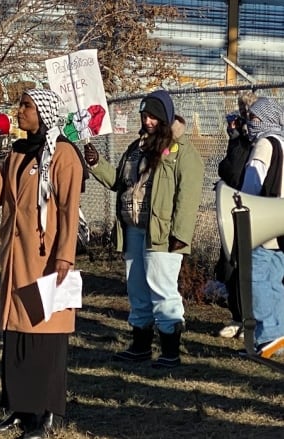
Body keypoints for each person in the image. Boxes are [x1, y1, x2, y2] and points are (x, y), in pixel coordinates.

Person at [0, 89, 83, 438]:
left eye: (27, 106)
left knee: (42, 334)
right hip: (16, 255)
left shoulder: (63, 155)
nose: (19, 111)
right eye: (21, 105)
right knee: (16, 334)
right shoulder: (18, 153)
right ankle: (18, 409)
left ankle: (41, 415)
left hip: (45, 256)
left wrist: (65, 254)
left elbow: (68, 208)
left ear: (45, 113)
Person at [84, 90, 204, 369]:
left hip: (163, 235)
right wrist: (96, 164)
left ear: (165, 118)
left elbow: (188, 197)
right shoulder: (136, 148)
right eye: (144, 116)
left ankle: (170, 351)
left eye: (153, 116)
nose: (148, 121)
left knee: (163, 290)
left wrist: (180, 234)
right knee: (137, 290)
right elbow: (119, 182)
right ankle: (140, 346)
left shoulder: (183, 153)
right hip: (134, 231)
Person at [238, 96, 284, 358]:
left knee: (256, 277)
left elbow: (252, 184)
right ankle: (280, 334)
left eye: (254, 118)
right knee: (276, 279)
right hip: (282, 227)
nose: (250, 123)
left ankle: (267, 335)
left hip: (264, 222)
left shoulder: (265, 145)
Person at [214, 91, 257, 339]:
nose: (243, 120)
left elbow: (231, 172)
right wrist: (234, 138)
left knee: (251, 267)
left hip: (253, 210)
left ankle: (250, 318)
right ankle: (237, 316)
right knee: (231, 265)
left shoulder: (259, 143)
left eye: (247, 114)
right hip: (232, 209)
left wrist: (237, 140)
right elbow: (227, 169)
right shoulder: (240, 141)